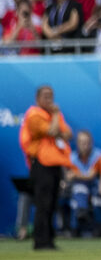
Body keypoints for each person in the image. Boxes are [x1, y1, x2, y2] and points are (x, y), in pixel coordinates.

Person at [18, 85, 73, 250]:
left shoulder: (54, 115)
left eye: (51, 96)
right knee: (43, 203)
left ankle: (49, 240)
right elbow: (52, 131)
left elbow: (68, 134)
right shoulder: (34, 115)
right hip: (41, 165)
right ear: (38, 99)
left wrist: (56, 125)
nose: (49, 100)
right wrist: (55, 117)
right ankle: (40, 241)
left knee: (52, 203)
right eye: (46, 96)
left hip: (55, 164)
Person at [66, 130, 101, 236]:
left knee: (95, 197)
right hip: (76, 189)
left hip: (95, 187)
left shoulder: (98, 155)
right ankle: (75, 228)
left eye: (87, 142)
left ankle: (99, 229)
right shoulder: (71, 157)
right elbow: (68, 176)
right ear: (77, 144)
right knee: (78, 191)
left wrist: (76, 175)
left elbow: (91, 176)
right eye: (82, 143)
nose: (85, 146)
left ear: (91, 142)